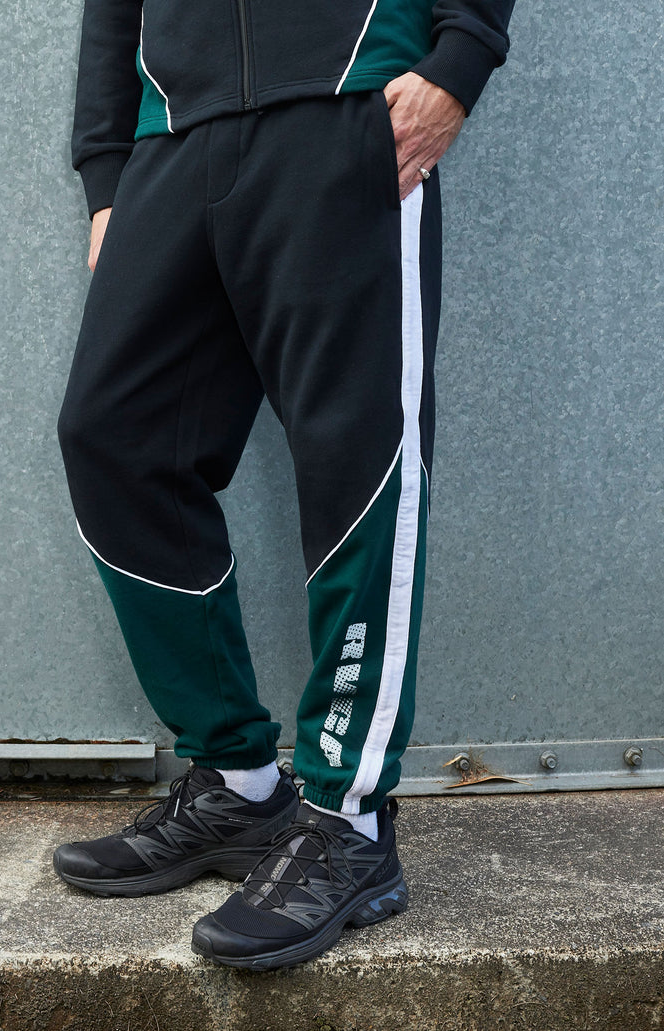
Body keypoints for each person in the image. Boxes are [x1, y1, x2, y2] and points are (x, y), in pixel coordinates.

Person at [53, 0, 515, 970]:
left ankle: (350, 820)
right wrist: (105, 166)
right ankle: (237, 780)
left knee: (359, 466)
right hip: (173, 133)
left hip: (345, 100)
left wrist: (461, 55)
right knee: (115, 440)